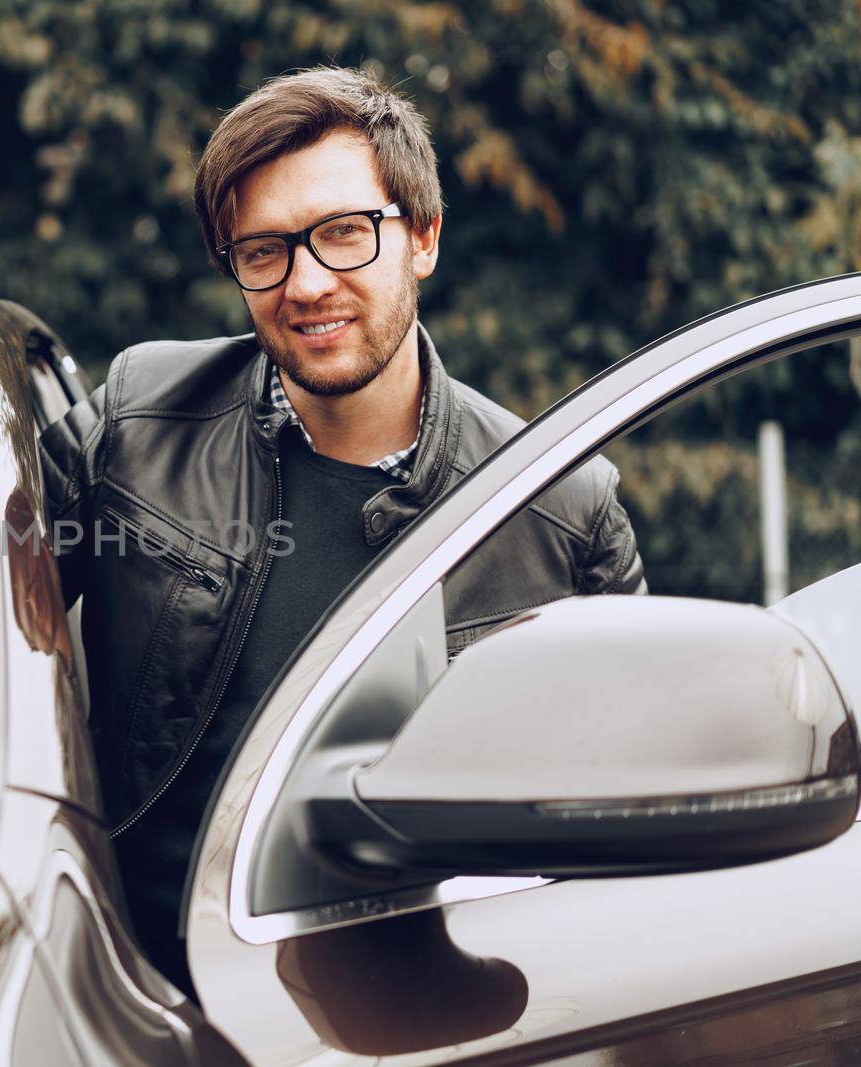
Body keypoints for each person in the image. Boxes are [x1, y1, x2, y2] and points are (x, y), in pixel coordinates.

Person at [38, 65, 645, 998]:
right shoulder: (140, 419)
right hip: (126, 1009)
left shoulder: (560, 509)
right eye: (264, 250)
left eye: (343, 234)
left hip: (423, 1025)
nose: (306, 283)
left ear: (424, 237)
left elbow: (627, 827)